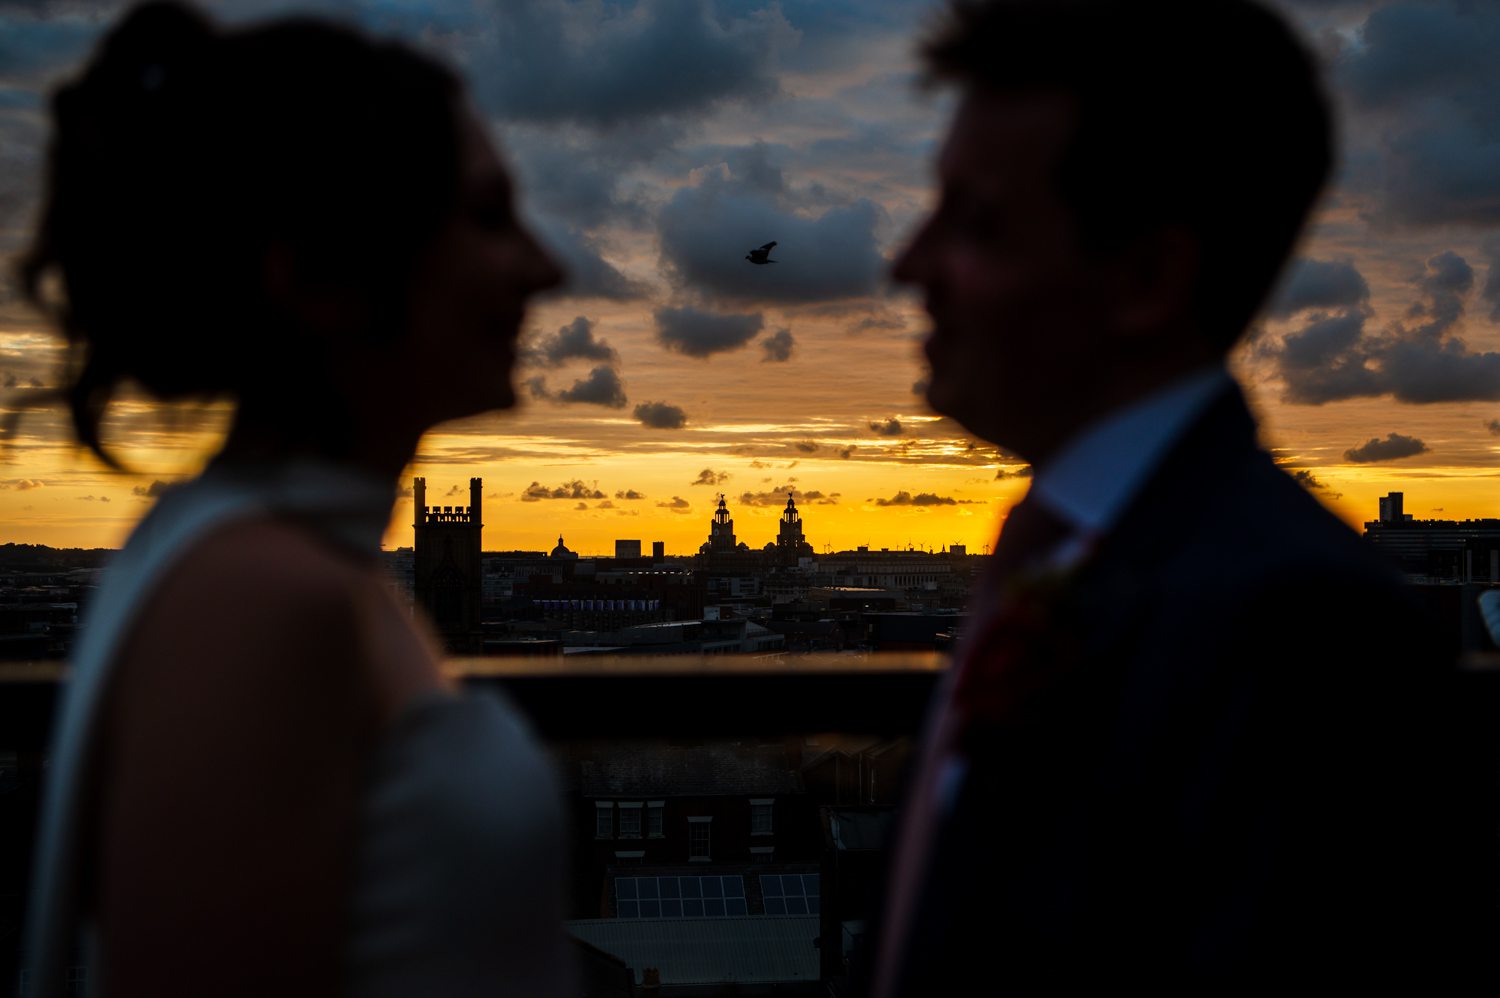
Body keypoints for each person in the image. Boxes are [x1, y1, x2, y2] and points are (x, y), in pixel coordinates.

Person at [870, 1, 1493, 994]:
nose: (906, 265)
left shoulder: (1302, 628)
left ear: (1149, 276)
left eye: (975, 222)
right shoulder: (1087, 559)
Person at [19, 3, 573, 995]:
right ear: (319, 279)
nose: (548, 265)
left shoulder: (280, 563)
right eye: (488, 217)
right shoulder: (262, 600)